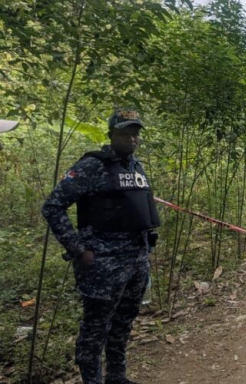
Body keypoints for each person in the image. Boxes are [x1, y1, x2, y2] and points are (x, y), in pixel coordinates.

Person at [42, 108, 160, 384]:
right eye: (125, 133)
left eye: (135, 134)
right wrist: (78, 249)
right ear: (111, 135)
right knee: (95, 332)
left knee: (122, 325)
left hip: (136, 261)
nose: (132, 139)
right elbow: (53, 207)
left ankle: (117, 378)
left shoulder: (136, 167)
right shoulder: (91, 166)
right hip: (102, 266)